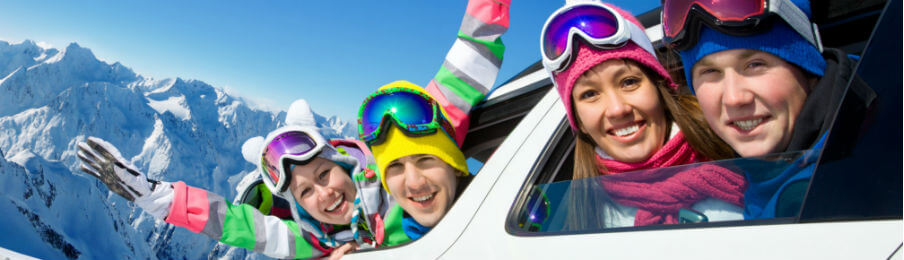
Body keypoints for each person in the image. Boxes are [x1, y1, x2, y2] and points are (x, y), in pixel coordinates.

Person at [662, 0, 876, 218]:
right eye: (710, 72)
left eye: (755, 64)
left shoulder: (874, 167)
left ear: (809, 72)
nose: (735, 98)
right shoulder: (761, 181)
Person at [539, 1, 745, 228]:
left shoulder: (743, 154)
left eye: (629, 82)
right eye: (590, 94)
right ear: (580, 121)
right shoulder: (574, 220)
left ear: (659, 88)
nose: (618, 109)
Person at [75, 125, 389, 259]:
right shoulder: (308, 239)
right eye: (305, 191)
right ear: (299, 207)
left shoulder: (402, 186)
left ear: (345, 165)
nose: (324, 194)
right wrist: (158, 197)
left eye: (324, 174)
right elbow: (234, 223)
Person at [354, 0, 510, 242]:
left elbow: (473, 52)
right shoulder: (384, 225)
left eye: (425, 159)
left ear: (456, 166)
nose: (414, 183)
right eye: (394, 166)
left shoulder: (502, 218)